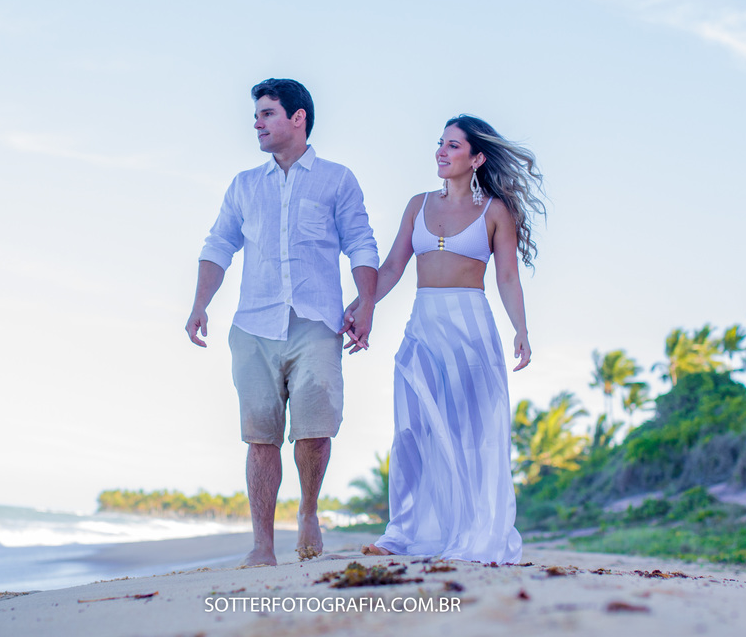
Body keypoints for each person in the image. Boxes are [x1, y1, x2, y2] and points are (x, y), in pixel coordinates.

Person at [186, 78, 379, 567]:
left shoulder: (337, 180)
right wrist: (200, 303)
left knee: (314, 430)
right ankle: (262, 545)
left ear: (298, 118)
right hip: (254, 325)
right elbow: (218, 244)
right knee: (260, 436)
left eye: (267, 113)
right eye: (256, 115)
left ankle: (309, 510)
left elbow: (361, 243)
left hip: (316, 321)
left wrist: (367, 303)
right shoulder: (244, 185)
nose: (257, 123)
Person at [351, 114, 545, 564]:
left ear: (476, 158)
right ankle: (402, 533)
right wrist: (363, 306)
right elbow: (392, 267)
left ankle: (473, 533)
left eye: (453, 145)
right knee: (411, 428)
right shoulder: (417, 204)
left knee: (472, 433)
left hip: (470, 330)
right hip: (423, 324)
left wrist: (521, 329)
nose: (441, 151)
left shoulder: (495, 211)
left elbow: (508, 277)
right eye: (441, 143)